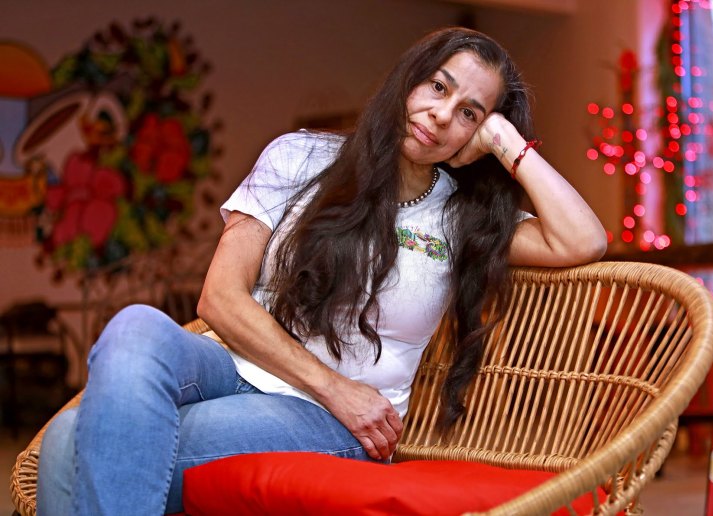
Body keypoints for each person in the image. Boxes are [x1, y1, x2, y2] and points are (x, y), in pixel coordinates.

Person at [37, 26, 606, 515]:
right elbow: (220, 298)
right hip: (238, 368)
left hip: (334, 424)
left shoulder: (461, 218)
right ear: (409, 79)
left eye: (469, 114)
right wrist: (335, 387)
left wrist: (508, 141)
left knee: (68, 440)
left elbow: (583, 240)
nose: (441, 114)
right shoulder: (298, 157)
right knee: (135, 326)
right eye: (438, 86)